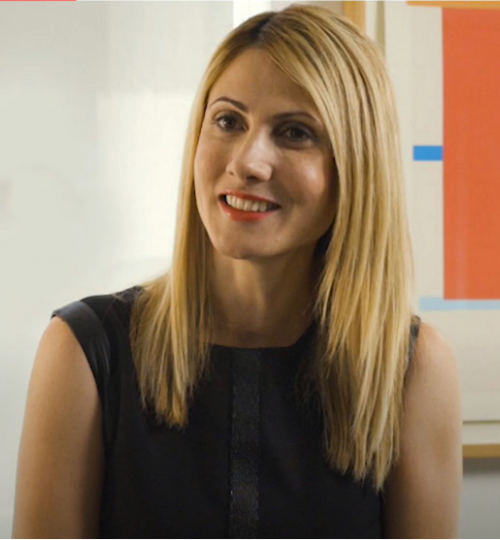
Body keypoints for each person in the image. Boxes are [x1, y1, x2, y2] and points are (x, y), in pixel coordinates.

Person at [12, 4, 462, 539]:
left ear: (356, 168)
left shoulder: (413, 369)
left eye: (294, 132)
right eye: (228, 121)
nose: (247, 161)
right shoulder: (84, 353)